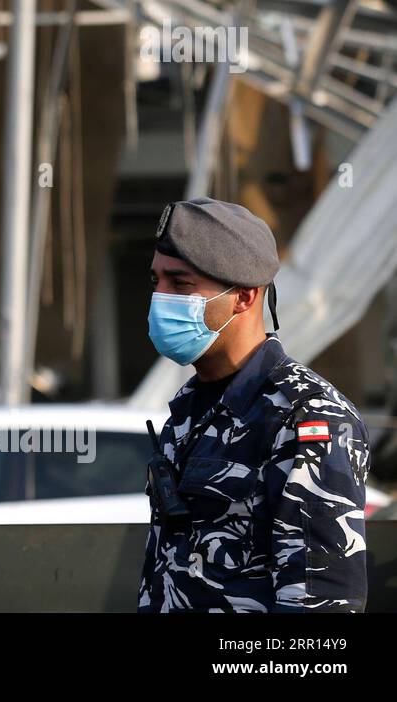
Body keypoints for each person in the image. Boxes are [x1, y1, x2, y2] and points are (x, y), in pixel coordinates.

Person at [138, 198, 370, 612]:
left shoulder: (306, 417)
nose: (161, 298)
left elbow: (319, 607)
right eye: (156, 281)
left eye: (180, 284)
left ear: (243, 298)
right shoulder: (188, 410)